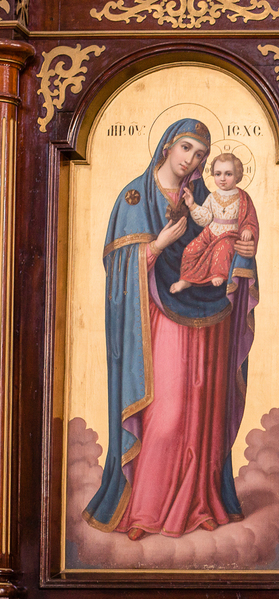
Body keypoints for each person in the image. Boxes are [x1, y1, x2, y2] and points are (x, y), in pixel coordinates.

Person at [83, 119, 259, 540]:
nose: (192, 160)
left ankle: (195, 503)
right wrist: (158, 245)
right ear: (166, 146)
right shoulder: (134, 197)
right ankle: (144, 508)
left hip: (206, 317)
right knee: (167, 411)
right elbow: (118, 272)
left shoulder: (206, 196)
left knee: (200, 409)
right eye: (186, 148)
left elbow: (227, 238)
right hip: (156, 319)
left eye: (200, 154)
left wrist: (246, 251)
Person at [171, 152, 258, 293]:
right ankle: (186, 279)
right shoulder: (213, 196)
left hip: (230, 235)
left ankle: (219, 274)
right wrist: (192, 205)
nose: (222, 179)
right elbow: (205, 218)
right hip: (211, 232)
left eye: (228, 174)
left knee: (222, 249)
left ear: (237, 176)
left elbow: (249, 217)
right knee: (191, 249)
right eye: (218, 174)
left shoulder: (242, 197)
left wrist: (248, 229)